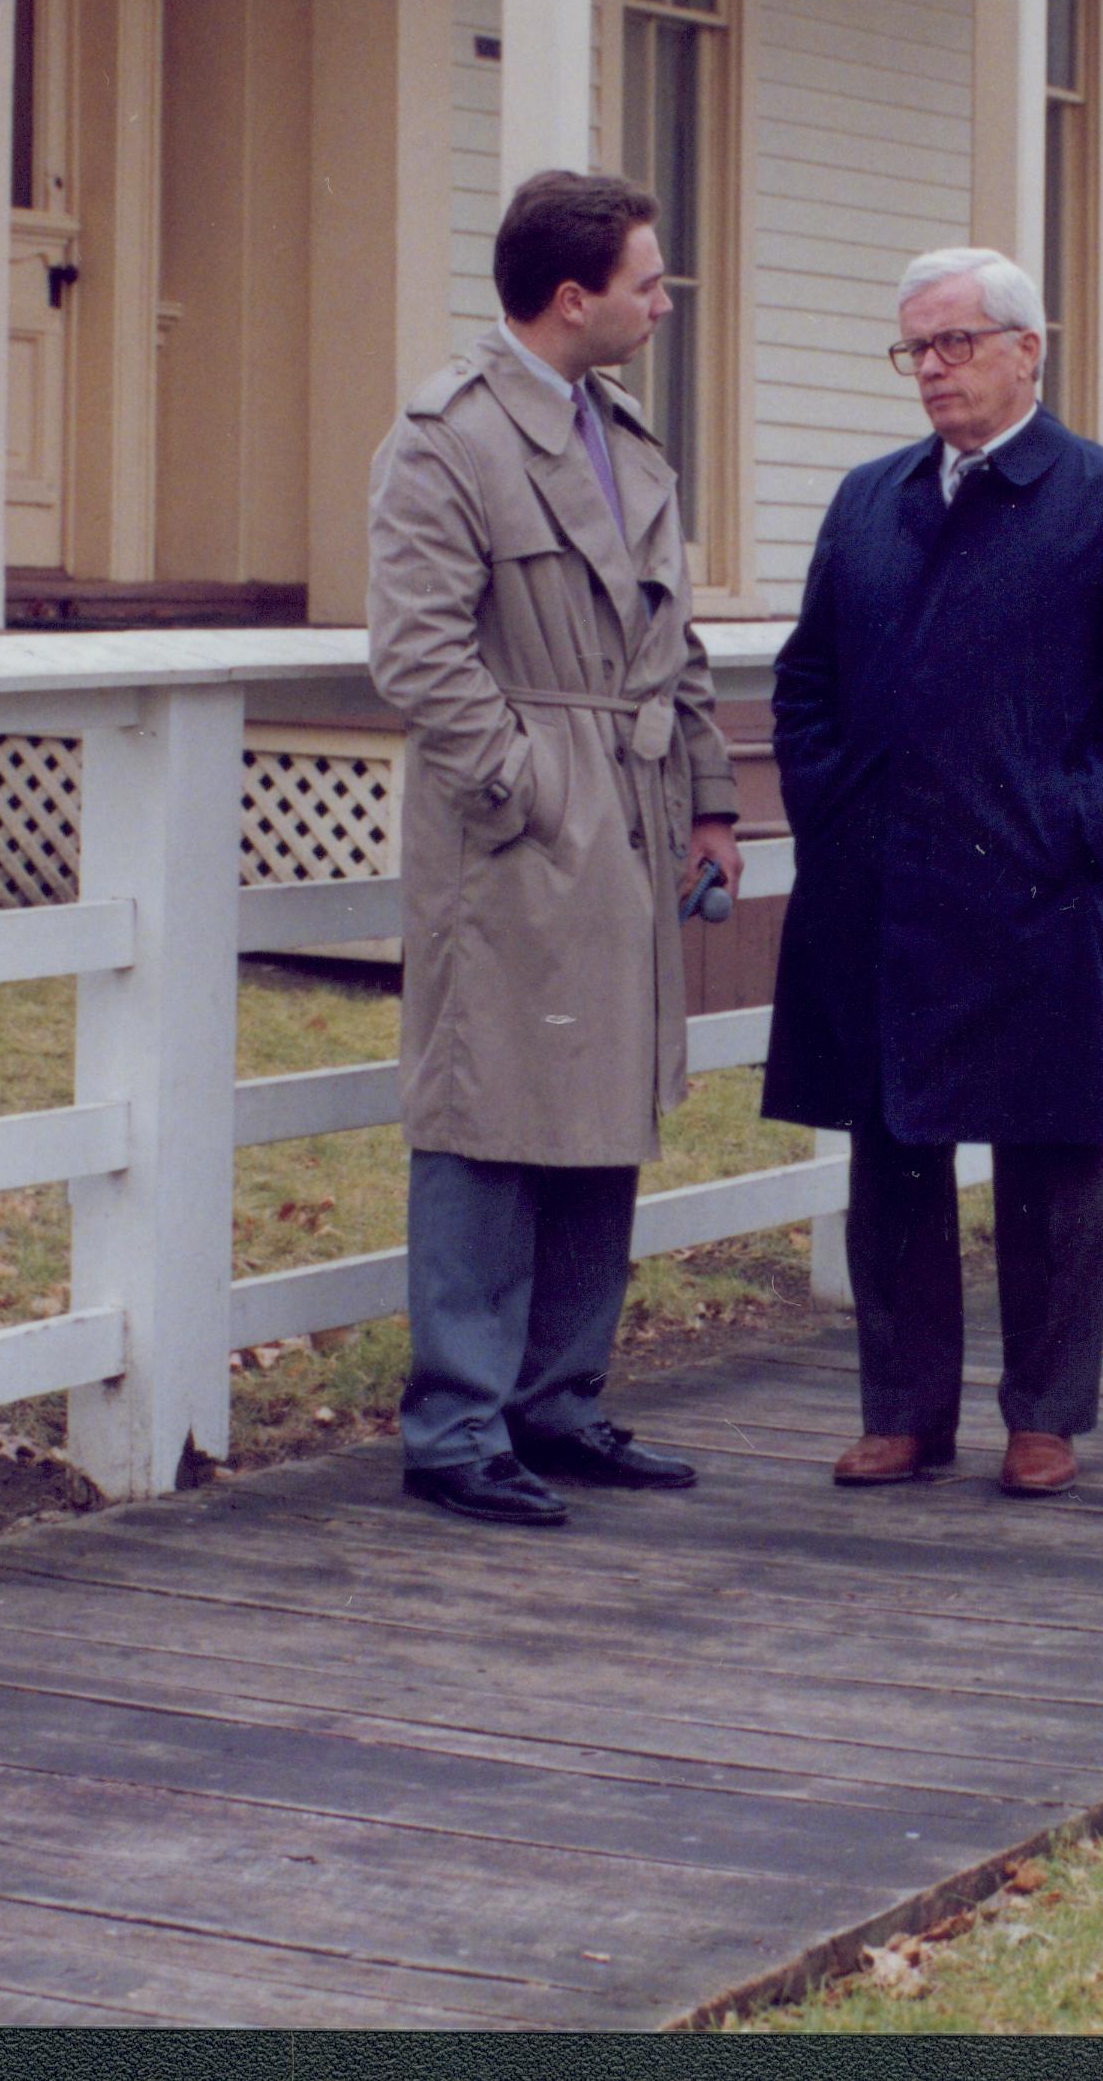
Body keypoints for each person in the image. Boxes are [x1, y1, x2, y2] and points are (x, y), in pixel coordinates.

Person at [763, 247, 1103, 1498]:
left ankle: (1045, 1414)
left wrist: (1075, 825)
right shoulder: (868, 500)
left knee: (1050, 1159)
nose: (933, 371)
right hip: (882, 887)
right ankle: (902, 1410)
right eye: (915, 349)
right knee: (890, 1145)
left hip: (1030, 890)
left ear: (1029, 347)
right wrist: (832, 810)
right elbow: (806, 684)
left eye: (955, 343)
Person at [365, 170, 744, 1527]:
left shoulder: (625, 436)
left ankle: (559, 1400)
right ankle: (457, 1423)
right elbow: (416, 651)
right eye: (648, 278)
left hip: (634, 801)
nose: (662, 298)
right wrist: (529, 784)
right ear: (572, 296)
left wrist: (707, 797)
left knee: (604, 1104)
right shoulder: (448, 438)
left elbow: (674, 640)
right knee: (486, 1109)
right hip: (521, 819)